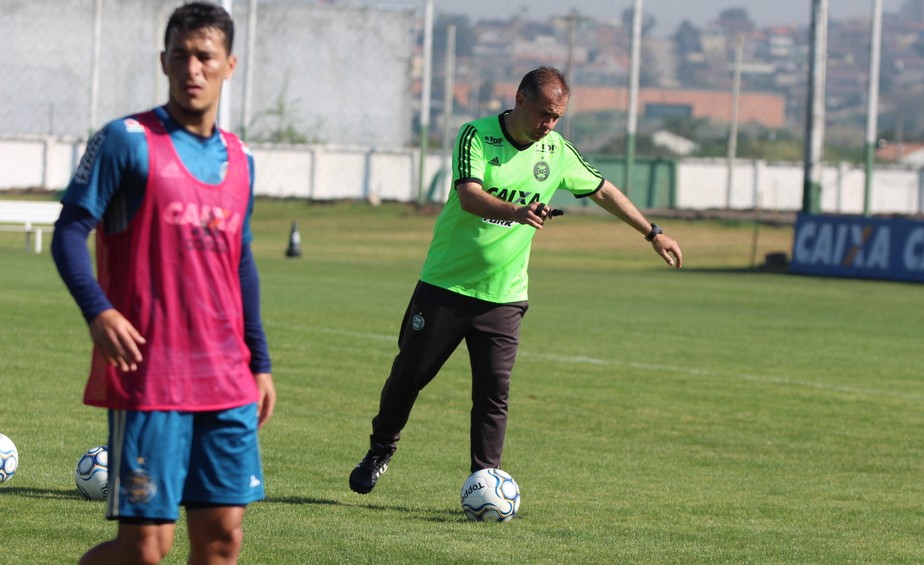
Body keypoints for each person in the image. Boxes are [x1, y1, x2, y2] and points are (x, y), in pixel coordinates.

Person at [349, 66, 682, 495]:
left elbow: (602, 190)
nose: (550, 124)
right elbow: (469, 196)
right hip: (446, 288)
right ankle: (380, 449)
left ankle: (484, 482)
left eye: (557, 117)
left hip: (504, 297)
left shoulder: (557, 151)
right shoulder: (477, 135)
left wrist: (652, 232)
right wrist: (516, 212)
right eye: (544, 113)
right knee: (408, 377)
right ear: (520, 100)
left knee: (493, 395)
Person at [51, 3, 276, 563]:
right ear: (164, 61)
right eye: (181, 56)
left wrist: (260, 362)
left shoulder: (241, 158)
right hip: (152, 375)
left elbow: (240, 263)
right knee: (145, 549)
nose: (192, 69)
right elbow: (69, 232)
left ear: (229, 64)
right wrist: (98, 311)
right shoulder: (127, 141)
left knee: (222, 541)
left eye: (205, 57)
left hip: (226, 377)